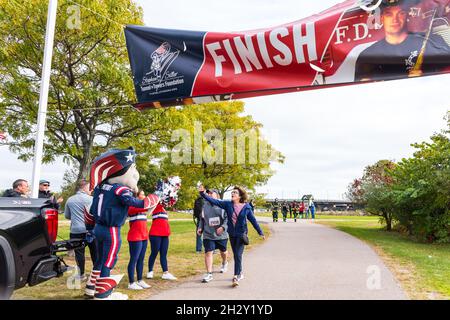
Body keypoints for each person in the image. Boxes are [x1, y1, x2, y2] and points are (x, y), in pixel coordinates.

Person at [85, 148, 159, 300]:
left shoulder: (100, 188)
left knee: (99, 259)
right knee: (109, 260)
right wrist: (151, 199)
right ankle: (103, 295)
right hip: (110, 229)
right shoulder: (120, 189)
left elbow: (92, 210)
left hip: (98, 227)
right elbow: (134, 203)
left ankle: (91, 288)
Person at [355, 0, 450, 82]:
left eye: (401, 13)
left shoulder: (432, 43)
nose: (395, 20)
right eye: (389, 14)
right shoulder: (368, 56)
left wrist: (426, 80)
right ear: (381, 18)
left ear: (407, 16)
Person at [198, 184, 265, 287]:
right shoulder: (228, 204)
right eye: (232, 192)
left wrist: (260, 232)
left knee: (237, 255)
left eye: (235, 192)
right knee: (236, 254)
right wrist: (202, 193)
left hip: (241, 235)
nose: (233, 194)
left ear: (240, 196)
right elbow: (213, 201)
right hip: (232, 235)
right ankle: (240, 272)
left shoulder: (246, 207)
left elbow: (253, 221)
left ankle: (236, 276)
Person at [64, 179, 97, 282]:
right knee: (95, 252)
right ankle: (96, 274)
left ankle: (81, 275)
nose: (91, 190)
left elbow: (67, 215)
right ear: (85, 188)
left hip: (75, 230)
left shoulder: (70, 199)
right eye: (90, 188)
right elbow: (95, 215)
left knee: (79, 253)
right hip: (90, 230)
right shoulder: (92, 199)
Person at [197, 189, 229, 283]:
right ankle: (209, 274)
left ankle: (224, 262)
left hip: (221, 235)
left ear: (217, 195)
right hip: (208, 234)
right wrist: (200, 228)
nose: (209, 194)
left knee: (223, 251)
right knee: (208, 252)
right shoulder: (204, 206)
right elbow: (202, 219)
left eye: (212, 193)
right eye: (208, 193)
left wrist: (223, 227)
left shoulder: (223, 205)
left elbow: (228, 219)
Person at [127, 190, 151, 290]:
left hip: (144, 236)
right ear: (137, 196)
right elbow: (145, 207)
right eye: (142, 194)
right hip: (135, 237)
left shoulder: (143, 208)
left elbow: (149, 208)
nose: (144, 196)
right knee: (134, 259)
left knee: (141, 259)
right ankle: (131, 282)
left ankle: (140, 280)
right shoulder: (131, 206)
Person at [147, 202, 177, 281]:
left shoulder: (163, 209)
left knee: (163, 254)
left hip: (165, 234)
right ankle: (150, 271)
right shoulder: (156, 206)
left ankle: (165, 273)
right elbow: (161, 200)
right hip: (155, 234)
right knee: (154, 252)